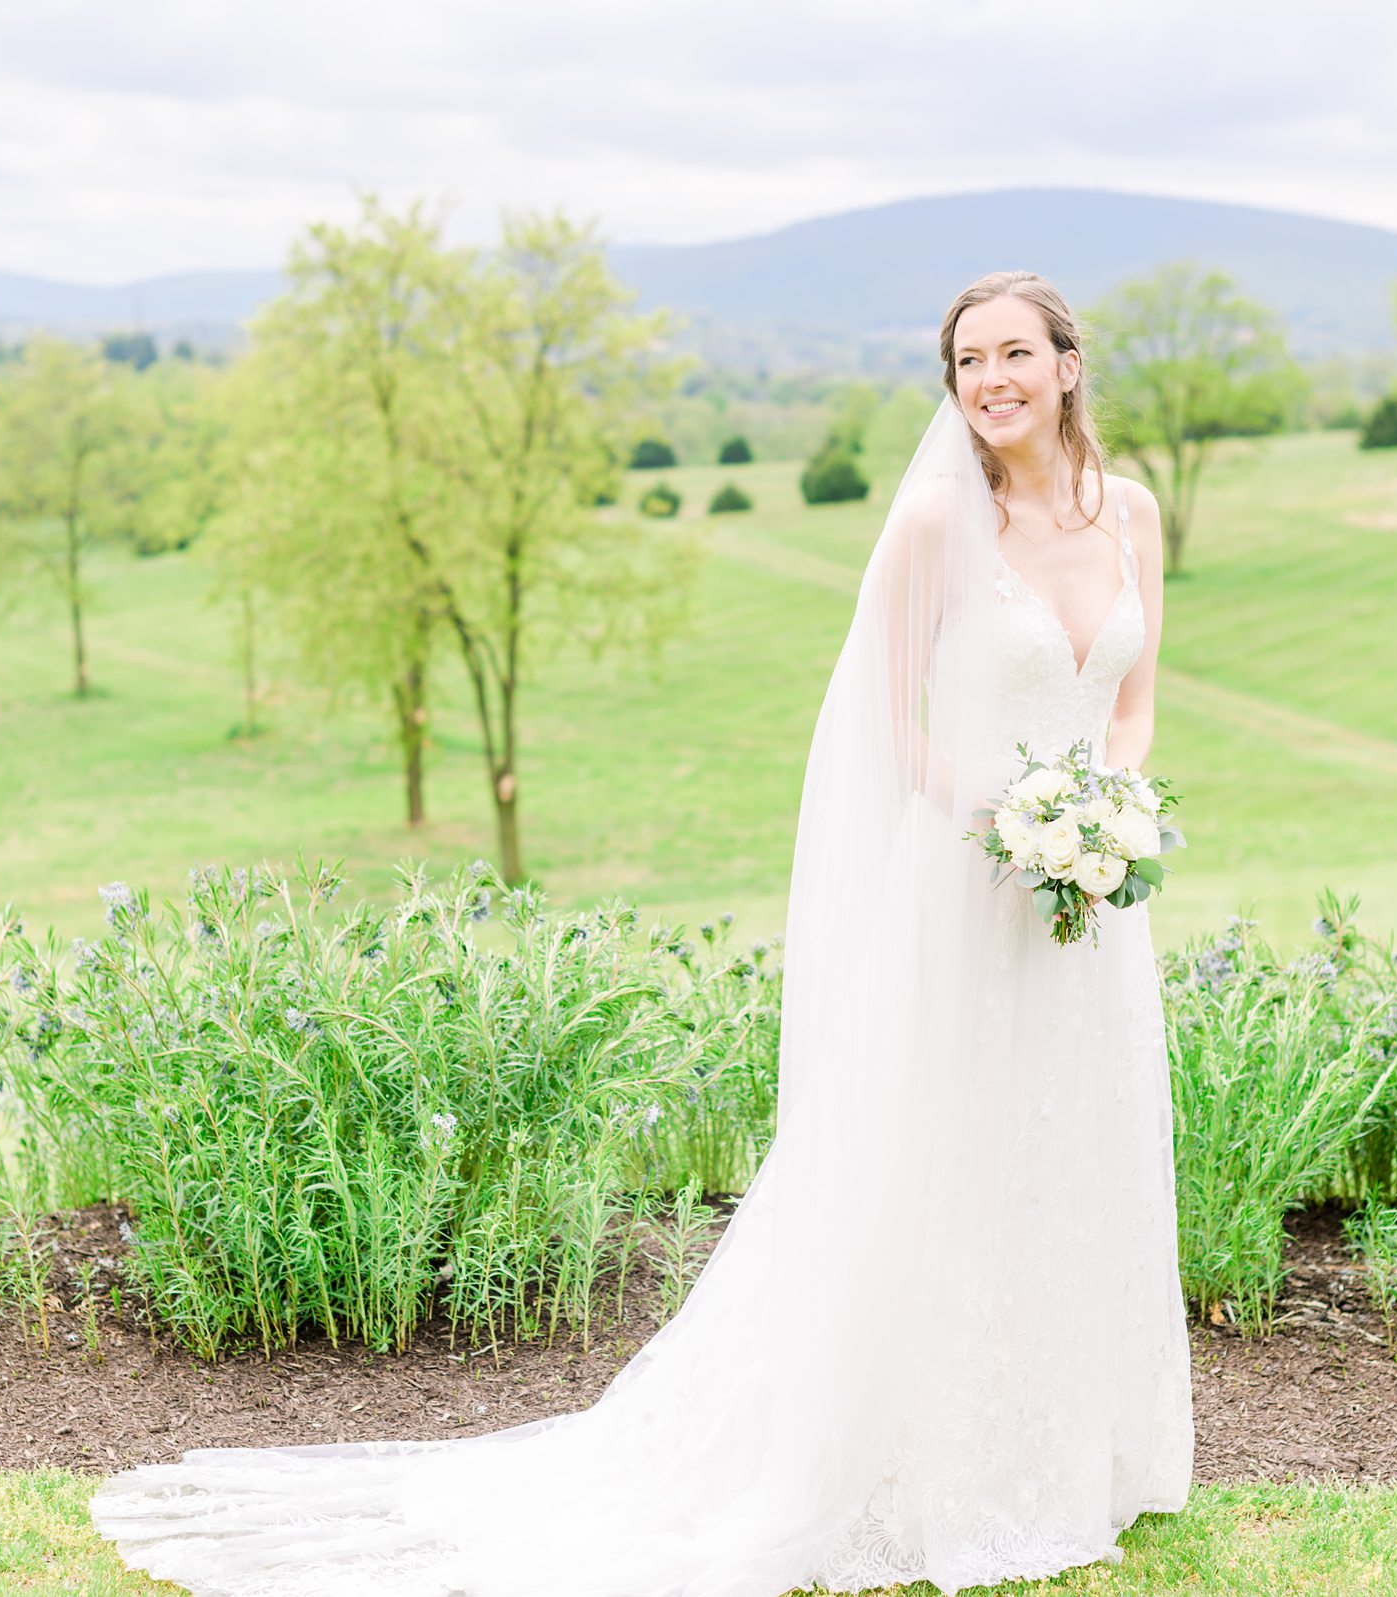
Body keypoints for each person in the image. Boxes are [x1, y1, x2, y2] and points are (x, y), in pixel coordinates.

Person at [91, 269, 1193, 1596]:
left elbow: (1128, 705)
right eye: (968, 362)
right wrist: (1022, 816)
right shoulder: (928, 527)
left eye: (1017, 353)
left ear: (1069, 364)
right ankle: (918, 1459)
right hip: (965, 891)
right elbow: (895, 733)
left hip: (1088, 906)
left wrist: (1107, 811)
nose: (993, 380)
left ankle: (1075, 1457)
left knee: (1069, 1153)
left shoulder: (1128, 514)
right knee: (938, 1162)